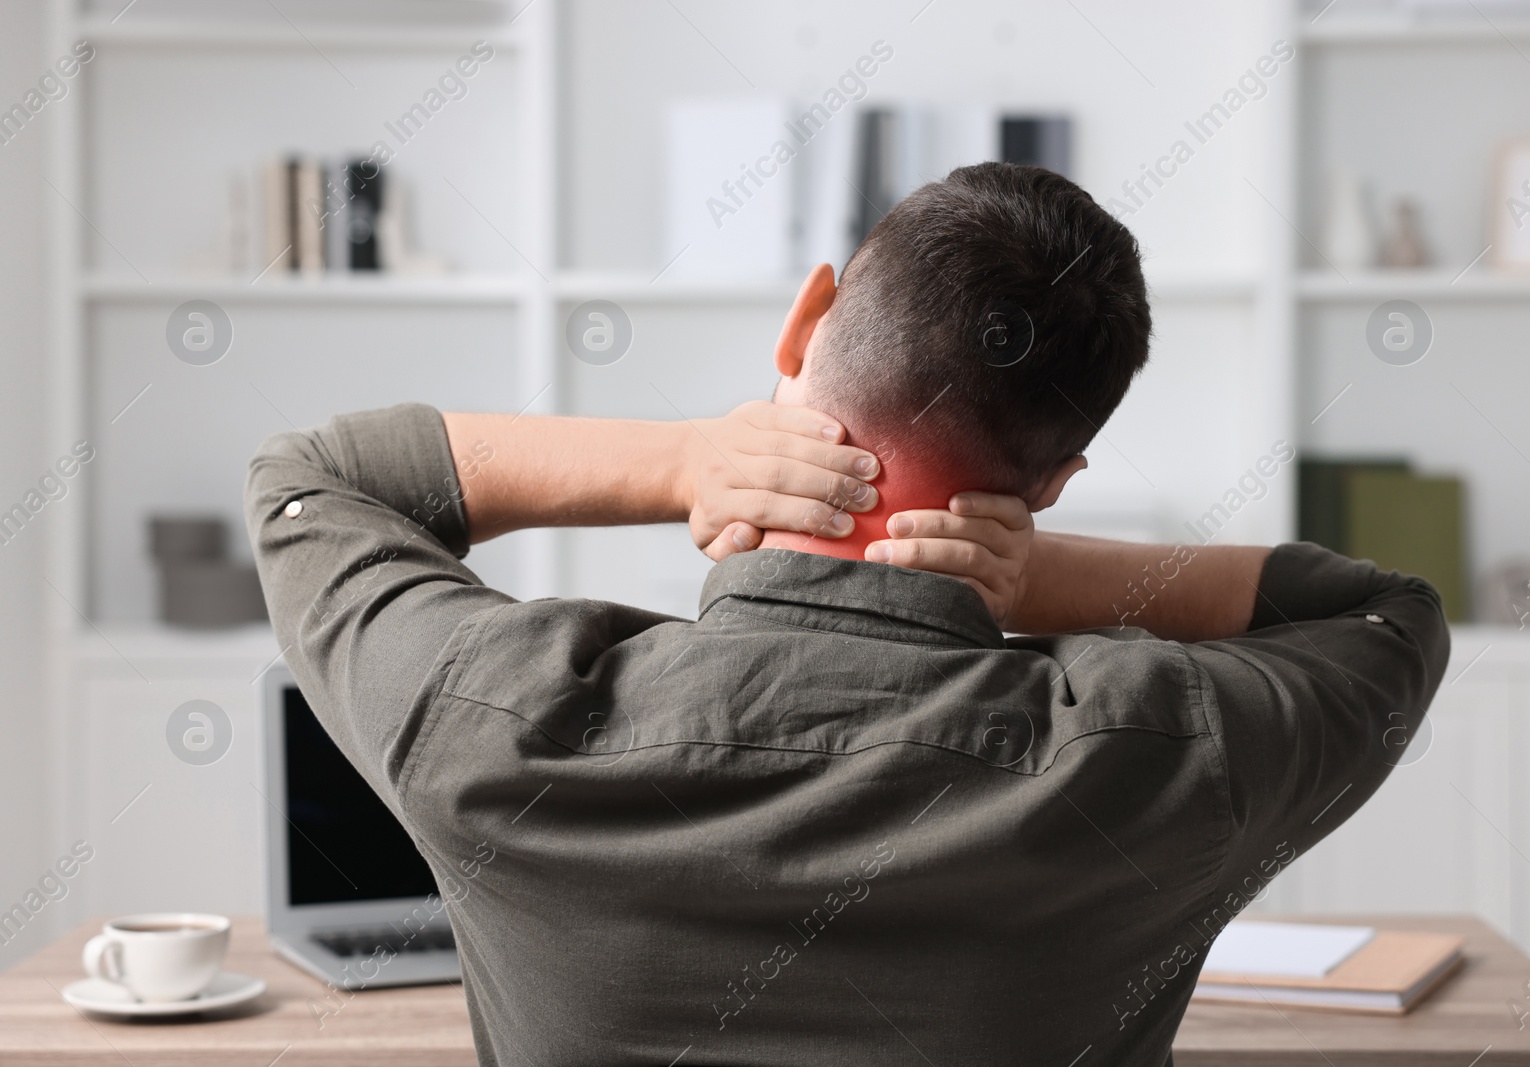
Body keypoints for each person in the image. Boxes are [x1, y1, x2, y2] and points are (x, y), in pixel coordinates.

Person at [246, 163, 1448, 1066]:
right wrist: (1040, 573)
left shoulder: (495, 717)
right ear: (1052, 480)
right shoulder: (1166, 750)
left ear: (806, 316)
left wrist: (685, 460)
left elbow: (317, 479)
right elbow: (1380, 611)